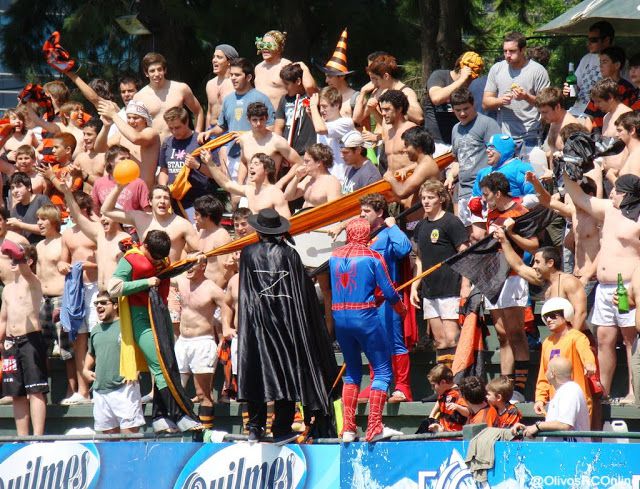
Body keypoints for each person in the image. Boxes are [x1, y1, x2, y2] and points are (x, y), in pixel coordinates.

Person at [238, 209, 339, 441]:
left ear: (259, 231)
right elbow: (302, 291)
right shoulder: (289, 254)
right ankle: (281, 428)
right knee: (286, 372)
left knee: (256, 369)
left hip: (256, 324)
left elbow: (245, 292)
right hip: (285, 323)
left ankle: (255, 426)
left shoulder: (247, 253)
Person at [109, 230, 201, 432]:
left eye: (161, 257)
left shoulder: (160, 257)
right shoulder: (131, 259)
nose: (158, 261)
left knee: (168, 363)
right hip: (140, 318)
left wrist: (191, 262)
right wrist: (146, 282)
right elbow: (113, 288)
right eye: (155, 257)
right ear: (145, 246)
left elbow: (166, 273)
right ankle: (180, 415)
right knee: (160, 366)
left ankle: (160, 417)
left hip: (160, 314)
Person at [564, 172, 640, 402]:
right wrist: (565, 170)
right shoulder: (609, 209)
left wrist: (635, 290)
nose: (612, 193)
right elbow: (580, 198)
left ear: (628, 194)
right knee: (604, 338)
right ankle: (603, 392)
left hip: (628, 286)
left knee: (630, 340)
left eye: (617, 191)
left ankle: (633, 392)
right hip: (604, 287)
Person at [330, 218, 406, 441]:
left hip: (339, 318)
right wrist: (401, 309)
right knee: (382, 371)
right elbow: (389, 291)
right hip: (364, 316)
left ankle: (348, 428)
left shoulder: (334, 256)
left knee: (352, 373)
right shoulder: (373, 256)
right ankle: (374, 426)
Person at [480, 172, 538, 400]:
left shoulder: (520, 212)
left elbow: (533, 245)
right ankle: (504, 388)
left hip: (514, 276)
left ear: (498, 193)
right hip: (493, 277)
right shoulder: (491, 213)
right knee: (502, 335)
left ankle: (519, 389)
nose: (484, 199)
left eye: (486, 195)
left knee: (515, 333)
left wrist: (511, 234)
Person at [359, 194, 413, 402]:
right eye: (361, 211)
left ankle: (402, 387)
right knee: (372, 343)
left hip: (387, 298)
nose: (362, 215)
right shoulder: (364, 235)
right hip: (366, 300)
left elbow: (404, 249)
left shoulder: (389, 232)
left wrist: (393, 227)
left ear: (380, 212)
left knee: (394, 341)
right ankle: (377, 384)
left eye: (367, 211)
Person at [412, 180, 469, 370]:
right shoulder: (421, 226)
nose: (426, 201)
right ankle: (443, 381)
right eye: (423, 198)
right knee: (440, 340)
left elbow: (465, 253)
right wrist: (414, 286)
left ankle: (457, 378)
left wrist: (465, 285)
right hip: (430, 290)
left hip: (450, 287)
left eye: (430, 197)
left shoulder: (451, 222)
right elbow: (419, 259)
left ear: (441, 199)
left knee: (452, 338)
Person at [174, 260, 229, 429]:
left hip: (202, 342)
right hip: (182, 342)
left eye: (193, 264)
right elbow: (160, 277)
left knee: (202, 394)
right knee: (175, 390)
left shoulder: (211, 288)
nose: (189, 267)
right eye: (187, 263)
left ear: (203, 266)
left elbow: (227, 305)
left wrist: (225, 330)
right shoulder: (181, 280)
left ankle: (206, 432)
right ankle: (181, 430)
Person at [200, 58, 274, 183]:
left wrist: (247, 136)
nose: (233, 78)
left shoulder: (261, 98)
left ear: (249, 77)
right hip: (232, 155)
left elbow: (271, 128)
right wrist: (209, 132)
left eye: (237, 75)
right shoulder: (228, 99)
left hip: (255, 156)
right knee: (234, 193)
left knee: (253, 192)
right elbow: (222, 126)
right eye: (231, 75)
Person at [0, 242, 48, 436]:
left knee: (35, 389)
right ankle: (22, 438)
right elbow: (3, 319)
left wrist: (19, 255)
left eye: (18, 259)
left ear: (29, 261)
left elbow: (26, 272)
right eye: (11, 259)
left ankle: (38, 437)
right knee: (16, 392)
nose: (13, 262)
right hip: (11, 342)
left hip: (30, 340)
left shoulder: (32, 281)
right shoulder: (7, 289)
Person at [83, 291, 145, 434]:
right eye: (96, 303)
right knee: (108, 440)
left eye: (103, 303)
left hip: (125, 388)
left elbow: (142, 349)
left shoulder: (127, 326)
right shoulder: (96, 330)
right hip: (100, 391)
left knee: (130, 439)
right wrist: (86, 369)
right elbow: (91, 352)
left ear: (116, 305)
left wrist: (136, 369)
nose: (99, 306)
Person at [448, 88, 501, 242]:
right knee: (467, 237)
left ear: (474, 105)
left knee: (481, 236)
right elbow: (457, 160)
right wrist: (450, 176)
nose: (462, 113)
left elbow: (498, 154)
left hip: (482, 188)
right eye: (458, 110)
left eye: (466, 108)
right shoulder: (455, 129)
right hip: (463, 190)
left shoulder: (487, 124)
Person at [482, 32, 550, 148]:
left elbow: (547, 105)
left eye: (512, 51)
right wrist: (501, 101)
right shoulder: (497, 69)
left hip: (530, 135)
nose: (508, 55)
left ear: (523, 50)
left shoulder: (537, 71)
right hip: (504, 137)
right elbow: (485, 103)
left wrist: (526, 97)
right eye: (505, 51)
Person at [535, 297, 596, 418]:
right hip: (556, 402)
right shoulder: (547, 342)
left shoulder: (577, 337)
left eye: (553, 316)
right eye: (546, 317)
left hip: (577, 401)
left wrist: (589, 364)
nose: (548, 319)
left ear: (566, 314)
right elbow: (544, 374)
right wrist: (540, 398)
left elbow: (586, 353)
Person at [512, 356, 590, 442]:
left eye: (547, 370)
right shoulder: (564, 391)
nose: (545, 373)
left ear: (552, 374)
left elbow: (564, 424)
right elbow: (557, 425)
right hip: (560, 449)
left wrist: (538, 426)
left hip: (572, 449)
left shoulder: (570, 391)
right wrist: (528, 429)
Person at [157, 106, 216, 219]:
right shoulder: (167, 143)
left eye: (177, 127)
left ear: (187, 122)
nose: (174, 131)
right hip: (175, 201)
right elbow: (164, 170)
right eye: (171, 128)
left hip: (199, 201)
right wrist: (164, 189)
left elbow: (217, 173)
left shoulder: (200, 141)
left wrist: (197, 165)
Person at [133, 52, 204, 139]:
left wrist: (197, 136)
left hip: (179, 143)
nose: (156, 74)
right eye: (152, 71)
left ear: (165, 70)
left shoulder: (181, 88)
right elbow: (134, 125)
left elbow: (198, 111)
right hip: (154, 144)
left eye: (159, 69)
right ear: (146, 73)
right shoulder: (139, 97)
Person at [382, 126, 440, 229]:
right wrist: (394, 197)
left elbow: (402, 192)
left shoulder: (426, 166)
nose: (404, 150)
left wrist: (390, 178)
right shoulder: (421, 165)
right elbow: (411, 199)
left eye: (407, 145)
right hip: (416, 224)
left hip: (424, 225)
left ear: (418, 147)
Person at [97, 99, 161, 190]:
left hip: (144, 191)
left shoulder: (151, 133)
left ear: (145, 119)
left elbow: (135, 138)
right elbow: (99, 148)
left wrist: (114, 115)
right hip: (125, 190)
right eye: (129, 117)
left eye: (135, 118)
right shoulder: (121, 135)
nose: (131, 121)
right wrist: (106, 127)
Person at [203, 151, 290, 217]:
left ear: (267, 170)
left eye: (256, 164)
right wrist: (210, 163)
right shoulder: (249, 190)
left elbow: (286, 223)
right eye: (251, 163)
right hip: (252, 234)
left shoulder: (276, 193)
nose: (251, 166)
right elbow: (226, 184)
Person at [423, 52, 484, 146]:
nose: (470, 81)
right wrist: (462, 80)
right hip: (435, 143)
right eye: (469, 78)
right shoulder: (439, 75)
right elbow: (436, 98)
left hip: (459, 142)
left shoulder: (470, 85)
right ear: (461, 70)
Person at [236, 101, 302, 179]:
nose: (258, 123)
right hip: (249, 186)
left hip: (269, 185)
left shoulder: (277, 141)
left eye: (261, 119)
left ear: (266, 118)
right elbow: (244, 162)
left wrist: (281, 183)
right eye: (254, 120)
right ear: (248, 120)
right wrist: (239, 183)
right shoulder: (244, 139)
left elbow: (299, 163)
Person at [254, 30, 316, 111]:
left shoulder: (286, 65)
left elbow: (306, 89)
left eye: (269, 45)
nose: (265, 48)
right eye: (262, 45)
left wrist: (304, 68)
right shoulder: (258, 68)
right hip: (258, 116)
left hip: (280, 115)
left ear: (279, 47)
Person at [354, 54, 423, 126]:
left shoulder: (406, 91)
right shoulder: (385, 92)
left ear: (386, 76)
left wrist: (400, 100)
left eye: (375, 79)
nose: (373, 83)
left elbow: (419, 118)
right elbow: (387, 126)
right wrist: (374, 110)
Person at [583, 47, 636, 135]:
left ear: (617, 65)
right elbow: (589, 117)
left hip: (615, 136)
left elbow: (627, 118)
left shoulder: (627, 89)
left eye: (605, 62)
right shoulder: (598, 87)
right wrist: (584, 137)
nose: (600, 66)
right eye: (600, 62)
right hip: (596, 135)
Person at [308, 86, 355, 184]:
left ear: (337, 105)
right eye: (320, 106)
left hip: (341, 180)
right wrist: (311, 114)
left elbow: (321, 129)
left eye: (325, 106)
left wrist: (313, 107)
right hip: (324, 179)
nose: (321, 110)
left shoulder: (346, 122)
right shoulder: (322, 123)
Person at [570, 21, 615, 114]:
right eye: (588, 40)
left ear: (606, 40)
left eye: (593, 40)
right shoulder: (586, 58)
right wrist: (569, 90)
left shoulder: (619, 62)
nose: (589, 43)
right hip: (576, 110)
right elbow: (575, 87)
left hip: (598, 114)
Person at [472, 134, 535, 200]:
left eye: (492, 147)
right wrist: (475, 203)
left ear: (504, 150)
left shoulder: (521, 168)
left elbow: (535, 196)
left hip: (517, 206)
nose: (487, 150)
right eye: (487, 147)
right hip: (488, 206)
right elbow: (475, 198)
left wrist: (512, 204)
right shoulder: (482, 173)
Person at [91, 145, 150, 216]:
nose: (127, 162)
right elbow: (94, 211)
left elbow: (148, 212)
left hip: (130, 222)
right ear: (111, 161)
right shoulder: (99, 183)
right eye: (122, 159)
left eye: (128, 158)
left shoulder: (139, 183)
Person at [274, 63, 317, 156]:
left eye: (287, 84)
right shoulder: (284, 99)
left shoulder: (312, 96)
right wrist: (279, 151)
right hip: (289, 153)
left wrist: (304, 68)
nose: (284, 87)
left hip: (308, 153)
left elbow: (309, 86)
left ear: (298, 81)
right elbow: (278, 127)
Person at [283, 143, 342, 209]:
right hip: (304, 213)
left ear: (318, 162)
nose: (303, 164)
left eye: (307, 161)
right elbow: (287, 196)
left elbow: (335, 210)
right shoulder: (309, 179)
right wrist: (297, 177)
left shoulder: (332, 183)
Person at [192, 195, 232, 288]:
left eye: (197, 214)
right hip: (200, 288)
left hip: (214, 289)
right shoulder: (203, 231)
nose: (194, 218)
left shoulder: (221, 237)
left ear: (207, 216)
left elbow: (225, 274)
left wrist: (212, 294)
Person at [319, 28, 359, 118]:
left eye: (330, 76)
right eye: (326, 76)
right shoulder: (326, 97)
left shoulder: (355, 99)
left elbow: (365, 125)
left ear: (342, 76)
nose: (326, 80)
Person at [378, 90, 417, 174]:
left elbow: (427, 160)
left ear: (399, 109)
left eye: (387, 109)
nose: (383, 113)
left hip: (412, 179)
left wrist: (407, 169)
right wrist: (388, 172)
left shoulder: (412, 129)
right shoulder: (388, 133)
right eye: (382, 110)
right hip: (394, 181)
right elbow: (391, 161)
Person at [7, 172, 52, 244]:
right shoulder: (16, 209)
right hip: (27, 248)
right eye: (12, 188)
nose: (15, 191)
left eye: (19, 186)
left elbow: (49, 228)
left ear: (29, 187)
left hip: (45, 245)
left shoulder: (41, 200)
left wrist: (20, 224)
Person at [423, 364, 468, 433]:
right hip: (444, 432)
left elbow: (467, 413)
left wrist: (457, 407)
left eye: (433, 385)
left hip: (456, 434)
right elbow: (439, 402)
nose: (432, 388)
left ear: (443, 382)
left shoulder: (458, 394)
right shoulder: (443, 393)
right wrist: (431, 416)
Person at [535, 87, 580, 157]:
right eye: (540, 112)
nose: (542, 116)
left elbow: (577, 158)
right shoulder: (553, 120)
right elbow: (553, 151)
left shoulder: (572, 128)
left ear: (557, 107)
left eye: (545, 112)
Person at [205, 44, 238, 128]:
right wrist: (207, 132)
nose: (214, 60)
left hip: (231, 129)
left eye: (219, 57)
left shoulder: (236, 84)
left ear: (229, 61)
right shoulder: (210, 84)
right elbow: (209, 113)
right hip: (212, 130)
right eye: (214, 57)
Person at [74, 118, 106, 185]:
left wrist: (86, 177)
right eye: (84, 134)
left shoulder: (107, 157)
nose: (85, 138)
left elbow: (108, 185)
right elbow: (70, 183)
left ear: (100, 135)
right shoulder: (80, 157)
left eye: (89, 134)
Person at [617, 111, 640, 177]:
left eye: (620, 130)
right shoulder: (631, 152)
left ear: (632, 130)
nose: (617, 135)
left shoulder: (637, 155)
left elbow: (633, 182)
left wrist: (611, 177)